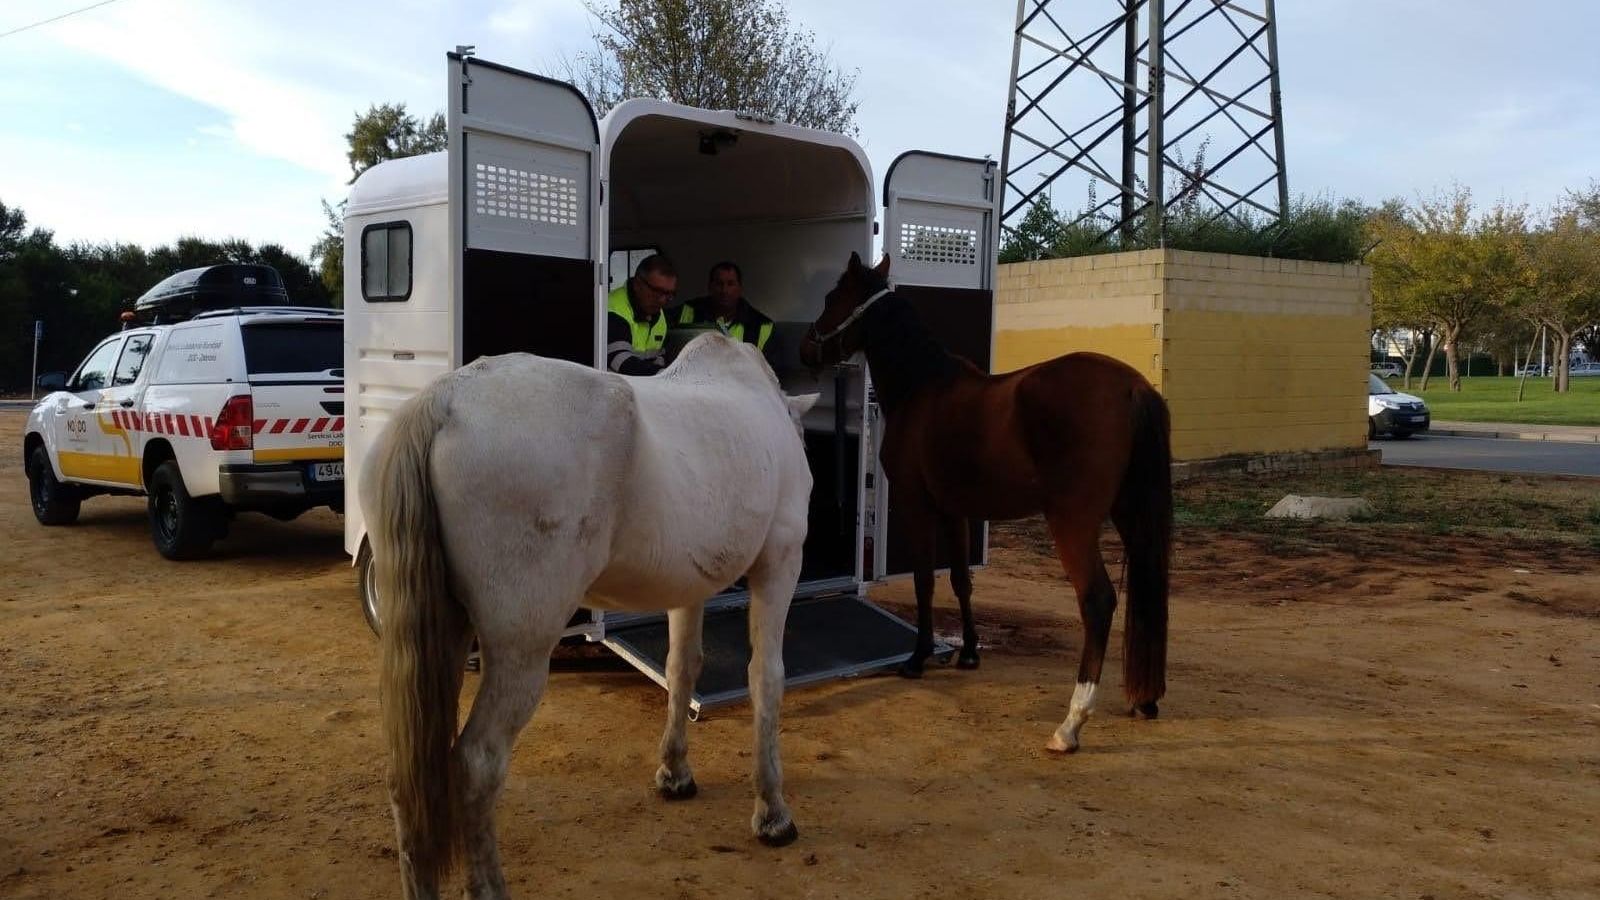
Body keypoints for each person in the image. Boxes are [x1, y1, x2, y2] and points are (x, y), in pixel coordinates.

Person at [674, 261, 775, 357]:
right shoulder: (687, 311)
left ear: (740, 288)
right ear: (710, 287)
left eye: (730, 284)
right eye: (719, 284)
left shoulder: (762, 325)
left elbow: (766, 367)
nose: (724, 290)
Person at [606, 254, 677, 375]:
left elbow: (659, 356)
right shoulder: (612, 309)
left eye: (669, 295)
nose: (662, 300)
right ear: (637, 284)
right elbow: (620, 361)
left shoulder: (659, 316)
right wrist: (664, 376)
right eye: (657, 292)